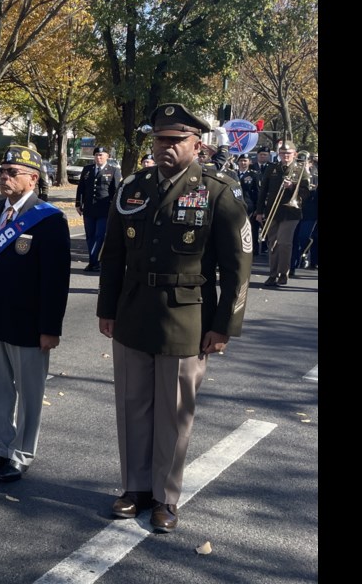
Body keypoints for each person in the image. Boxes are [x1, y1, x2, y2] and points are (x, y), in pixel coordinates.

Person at [96, 103, 252, 533]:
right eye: (159, 139)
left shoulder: (218, 191)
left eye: (174, 140)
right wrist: (106, 309)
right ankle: (135, 488)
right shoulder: (133, 186)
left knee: (174, 412)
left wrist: (223, 326)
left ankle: (165, 497)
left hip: (188, 318)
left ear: (196, 145)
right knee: (132, 405)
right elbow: (113, 256)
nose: (164, 147)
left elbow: (238, 266)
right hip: (133, 311)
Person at [0, 145, 70, 483]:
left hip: (29, 323)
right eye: (2, 172)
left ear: (33, 178)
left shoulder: (49, 219)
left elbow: (56, 281)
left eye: (13, 173)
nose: (4, 177)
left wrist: (50, 328)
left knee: (29, 393)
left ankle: (21, 454)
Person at [255, 141, 310, 287]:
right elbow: (263, 191)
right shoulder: (272, 168)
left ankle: (282, 274)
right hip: (273, 211)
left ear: (294, 154)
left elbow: (306, 193)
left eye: (288, 153)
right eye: (283, 153)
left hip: (291, 212)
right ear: (279, 154)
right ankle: (272, 275)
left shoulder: (300, 170)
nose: (285, 156)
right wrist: (259, 211)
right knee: (272, 244)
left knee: (284, 243)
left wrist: (291, 186)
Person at [75, 146, 121, 272]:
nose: (98, 157)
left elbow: (116, 191)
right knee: (90, 236)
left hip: (104, 209)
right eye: (96, 155)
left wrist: (115, 208)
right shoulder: (87, 169)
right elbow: (81, 188)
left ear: (107, 156)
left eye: (101, 155)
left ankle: (94, 261)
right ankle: (94, 261)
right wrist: (78, 204)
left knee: (99, 236)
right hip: (89, 209)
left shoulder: (113, 170)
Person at [252, 146, 273, 254]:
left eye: (265, 155)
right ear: (257, 155)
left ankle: (266, 247)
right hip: (255, 200)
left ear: (269, 156)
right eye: (261, 154)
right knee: (254, 227)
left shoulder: (272, 167)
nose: (263, 156)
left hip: (267, 200)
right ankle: (254, 248)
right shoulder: (252, 166)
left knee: (267, 226)